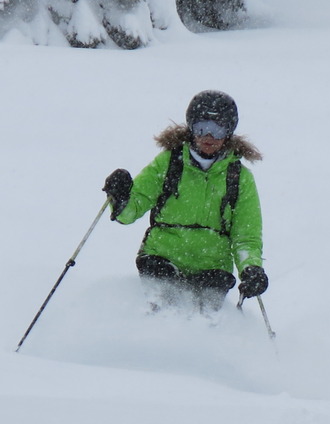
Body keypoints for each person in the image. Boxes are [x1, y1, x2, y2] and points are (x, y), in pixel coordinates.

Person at [102, 90, 268, 314]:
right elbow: (130, 212)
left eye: (218, 129)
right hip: (163, 256)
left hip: (212, 265)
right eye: (201, 128)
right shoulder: (169, 164)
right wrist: (121, 198)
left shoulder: (238, 177)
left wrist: (251, 269)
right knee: (162, 307)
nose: (209, 136)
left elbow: (246, 235)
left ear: (229, 132)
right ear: (191, 127)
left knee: (204, 318)